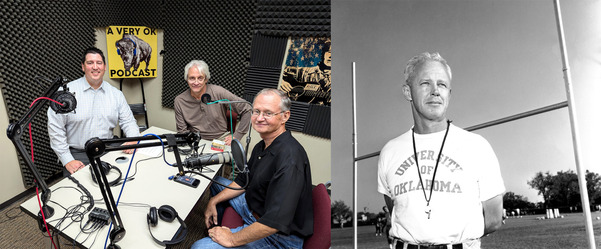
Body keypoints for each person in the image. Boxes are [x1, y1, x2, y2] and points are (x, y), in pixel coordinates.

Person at [377, 52, 505, 249]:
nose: (435, 91)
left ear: (449, 94)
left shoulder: (477, 146)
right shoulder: (390, 151)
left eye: (442, 84)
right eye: (425, 83)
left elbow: (494, 219)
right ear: (408, 92)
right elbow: (397, 210)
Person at [191, 88, 313, 249]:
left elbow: (274, 222)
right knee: (216, 183)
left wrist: (232, 239)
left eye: (268, 113)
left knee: (199, 248)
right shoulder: (263, 145)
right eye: (256, 111)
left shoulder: (290, 158)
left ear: (285, 116)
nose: (259, 118)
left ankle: (223, 237)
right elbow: (244, 180)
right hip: (254, 208)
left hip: (277, 237)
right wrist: (213, 200)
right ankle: (216, 227)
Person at [47, 47, 140, 175]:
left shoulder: (116, 94)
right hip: (78, 154)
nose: (95, 67)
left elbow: (128, 121)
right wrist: (67, 160)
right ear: (83, 67)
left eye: (99, 63)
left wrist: (134, 139)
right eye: (90, 63)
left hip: (107, 149)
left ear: (105, 67)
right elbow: (55, 129)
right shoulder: (64, 94)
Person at [174, 60, 251, 145]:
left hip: (221, 139)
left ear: (206, 79)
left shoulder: (219, 92)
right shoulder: (179, 100)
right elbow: (182, 132)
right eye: (192, 78)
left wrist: (237, 135)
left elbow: (247, 108)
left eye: (200, 78)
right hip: (196, 140)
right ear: (187, 79)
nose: (196, 82)